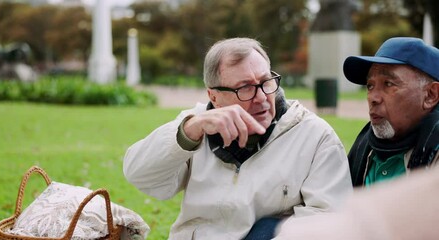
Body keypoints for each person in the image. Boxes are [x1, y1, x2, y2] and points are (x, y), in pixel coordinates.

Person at [123, 37, 352, 240]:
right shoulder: (195, 125)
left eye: (266, 81)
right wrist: (190, 130)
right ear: (214, 95)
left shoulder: (315, 135)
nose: (262, 97)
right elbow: (138, 174)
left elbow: (330, 216)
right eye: (245, 88)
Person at [343, 37, 439, 187]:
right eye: (370, 86)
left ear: (430, 95)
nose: (373, 98)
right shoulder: (363, 148)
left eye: (388, 84)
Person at [274, 164, 439, 240]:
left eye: (388, 90)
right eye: (369, 90)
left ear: (431, 95)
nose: (372, 99)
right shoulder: (365, 143)